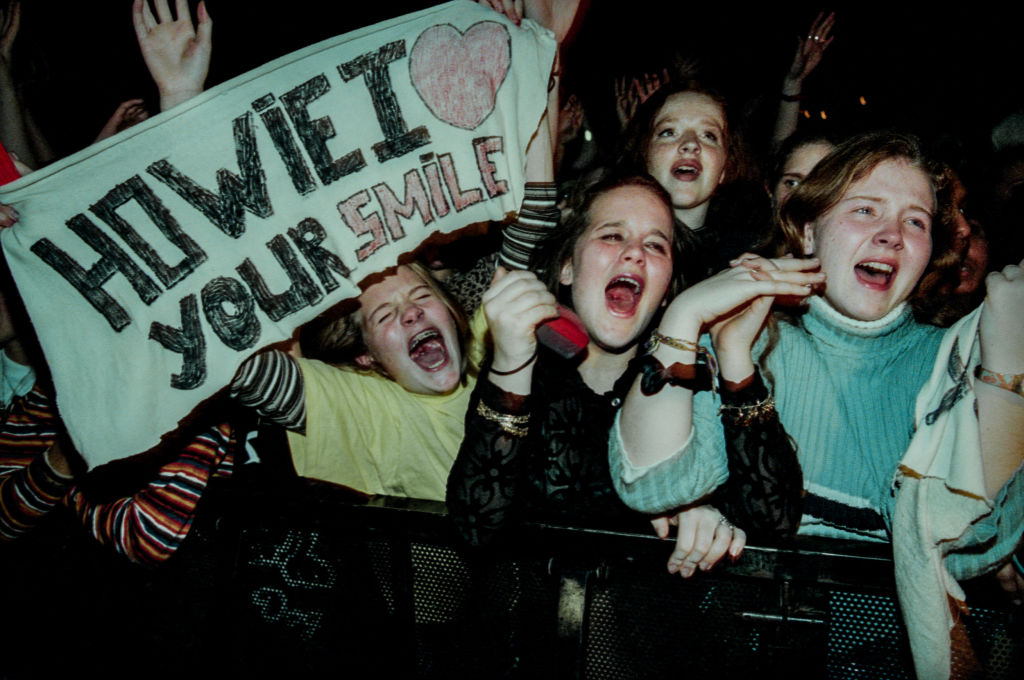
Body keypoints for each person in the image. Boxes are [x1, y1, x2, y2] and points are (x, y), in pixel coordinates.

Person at [610, 132, 1023, 674]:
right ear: (808, 231)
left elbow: (975, 545)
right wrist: (684, 317)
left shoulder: (955, 360)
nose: (891, 236)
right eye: (865, 209)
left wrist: (1004, 378)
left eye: (916, 221)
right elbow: (653, 483)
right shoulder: (748, 334)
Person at [447, 174, 745, 576]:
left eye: (656, 244)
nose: (635, 254)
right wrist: (511, 363)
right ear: (567, 268)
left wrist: (705, 510)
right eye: (611, 236)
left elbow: (768, 512)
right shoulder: (527, 371)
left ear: (667, 295)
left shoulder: (693, 375)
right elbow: (474, 532)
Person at [618, 80, 769, 283]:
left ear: (725, 168)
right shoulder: (610, 247)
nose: (690, 144)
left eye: (709, 135)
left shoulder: (745, 263)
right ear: (645, 155)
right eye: (669, 132)